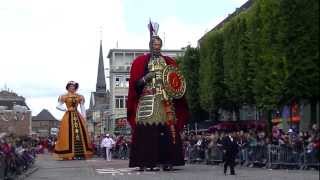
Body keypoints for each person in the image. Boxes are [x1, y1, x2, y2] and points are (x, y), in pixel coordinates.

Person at [127, 21, 189, 171]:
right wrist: (146, 77)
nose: (157, 47)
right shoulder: (140, 62)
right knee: (146, 132)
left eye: (159, 45)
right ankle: (145, 161)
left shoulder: (169, 61)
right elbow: (135, 85)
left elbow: (175, 81)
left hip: (165, 99)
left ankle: (168, 160)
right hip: (149, 99)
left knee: (168, 132)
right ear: (150, 46)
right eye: (155, 45)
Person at [54, 81, 93, 160]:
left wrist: (84, 117)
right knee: (67, 133)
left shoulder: (79, 96)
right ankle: (68, 154)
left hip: (77, 115)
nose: (72, 88)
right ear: (68, 87)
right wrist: (65, 109)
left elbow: (82, 107)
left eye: (74, 86)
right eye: (71, 86)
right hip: (68, 115)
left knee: (81, 133)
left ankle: (81, 154)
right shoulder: (64, 96)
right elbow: (58, 106)